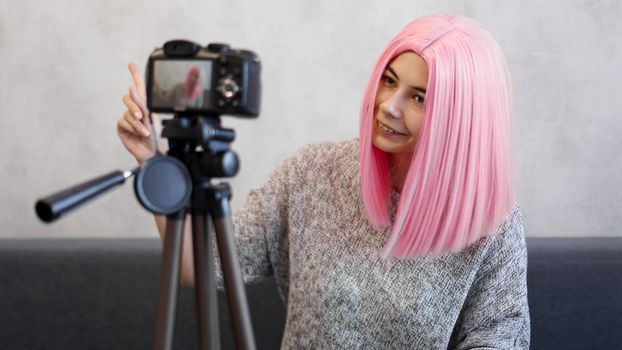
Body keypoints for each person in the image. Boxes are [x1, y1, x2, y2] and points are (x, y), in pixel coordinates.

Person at [117, 14, 529, 349]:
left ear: (462, 117)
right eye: (389, 80)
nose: (389, 106)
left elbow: (498, 340)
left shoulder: (493, 222)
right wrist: (155, 162)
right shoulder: (311, 173)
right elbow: (204, 267)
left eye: (419, 97)